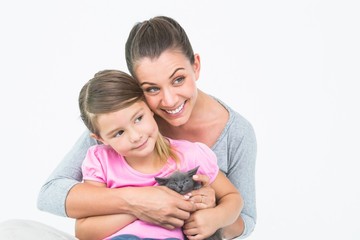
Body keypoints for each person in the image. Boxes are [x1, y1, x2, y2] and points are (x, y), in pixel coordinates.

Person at [35, 15, 256, 239]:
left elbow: (245, 218)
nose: (169, 100)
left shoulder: (232, 135)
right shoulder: (122, 122)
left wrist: (213, 213)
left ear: (196, 66)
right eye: (152, 89)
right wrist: (139, 203)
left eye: (178, 79)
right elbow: (50, 194)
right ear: (137, 90)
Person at [75, 69, 242, 240]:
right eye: (119, 133)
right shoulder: (101, 161)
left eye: (138, 118)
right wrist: (140, 208)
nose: (135, 136)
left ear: (149, 108)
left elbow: (233, 198)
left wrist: (216, 218)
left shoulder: (189, 155)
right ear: (100, 138)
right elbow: (83, 231)